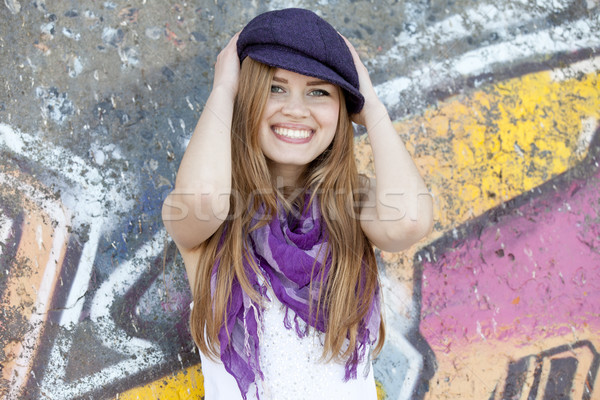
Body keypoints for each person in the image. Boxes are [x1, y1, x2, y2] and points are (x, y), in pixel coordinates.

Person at [162, 8, 433, 400]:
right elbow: (204, 198)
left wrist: (372, 106)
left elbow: (408, 221)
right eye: (275, 87)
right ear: (246, 95)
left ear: (342, 109)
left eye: (318, 91)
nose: (295, 108)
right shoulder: (209, 217)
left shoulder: (353, 205)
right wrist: (223, 90)